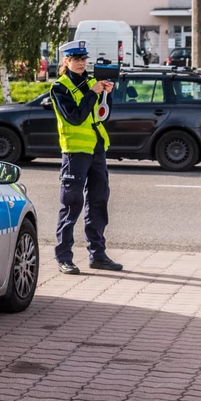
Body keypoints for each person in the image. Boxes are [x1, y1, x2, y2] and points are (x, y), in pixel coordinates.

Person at [50, 40, 123, 275]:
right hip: (75, 151)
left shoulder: (92, 82)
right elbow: (75, 117)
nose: (81, 63)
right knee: (71, 204)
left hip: (97, 149)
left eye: (84, 59)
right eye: (76, 59)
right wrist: (92, 94)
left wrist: (106, 96)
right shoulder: (60, 88)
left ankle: (98, 255)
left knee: (99, 201)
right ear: (66, 61)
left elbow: (102, 117)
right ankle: (64, 256)